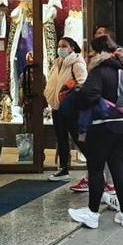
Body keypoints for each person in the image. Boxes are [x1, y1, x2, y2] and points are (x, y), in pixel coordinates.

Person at [67, 36, 123, 229]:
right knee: (119, 168)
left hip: (103, 126)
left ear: (98, 53)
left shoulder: (100, 71)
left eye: (91, 52)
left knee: (96, 169)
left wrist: (79, 94)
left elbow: (89, 95)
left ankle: (92, 214)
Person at [44, 37, 88, 182]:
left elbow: (83, 83)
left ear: (72, 48)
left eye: (64, 46)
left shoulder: (76, 63)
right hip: (57, 107)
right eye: (59, 45)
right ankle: (63, 169)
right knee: (61, 138)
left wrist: (70, 92)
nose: (61, 48)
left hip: (70, 108)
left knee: (77, 138)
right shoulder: (57, 63)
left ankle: (93, 164)